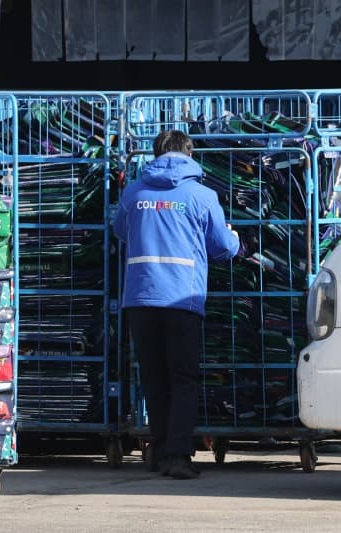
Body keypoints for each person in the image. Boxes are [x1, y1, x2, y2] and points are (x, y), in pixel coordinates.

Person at [113, 130, 240, 479]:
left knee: (154, 378)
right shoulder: (202, 195)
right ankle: (178, 457)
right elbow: (222, 247)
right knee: (183, 379)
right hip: (183, 298)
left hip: (140, 297)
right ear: (190, 155)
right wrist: (235, 237)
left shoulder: (133, 193)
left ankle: (158, 450)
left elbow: (121, 231)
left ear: (156, 155)